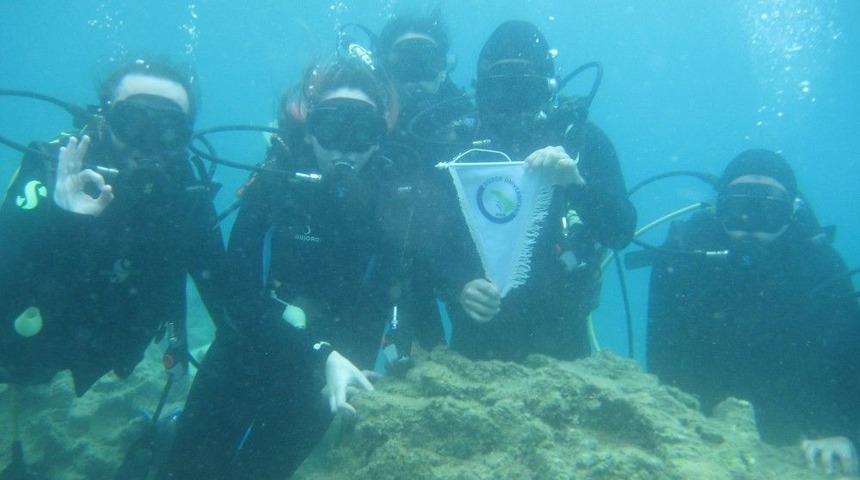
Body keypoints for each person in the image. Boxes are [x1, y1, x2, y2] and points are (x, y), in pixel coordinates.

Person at [159, 57, 410, 480]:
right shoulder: (273, 188)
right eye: (332, 128)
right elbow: (236, 298)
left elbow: (383, 302)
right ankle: (169, 433)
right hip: (243, 358)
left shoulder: (389, 208)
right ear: (309, 131)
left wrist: (354, 365)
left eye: (361, 130)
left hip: (320, 380)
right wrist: (322, 351)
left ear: (378, 139)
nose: (345, 147)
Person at [0, 58, 225, 396]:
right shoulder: (50, 169)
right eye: (132, 122)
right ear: (104, 120)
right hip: (22, 353)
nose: (147, 143)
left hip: (110, 357)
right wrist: (63, 221)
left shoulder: (187, 199)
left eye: (168, 129)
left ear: (185, 136)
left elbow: (229, 301)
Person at [647, 149, 860, 476]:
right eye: (738, 208)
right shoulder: (683, 253)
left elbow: (849, 357)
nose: (750, 224)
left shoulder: (820, 264)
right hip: (698, 415)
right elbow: (662, 353)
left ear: (791, 214)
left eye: (768, 211)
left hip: (796, 426)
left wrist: (840, 429)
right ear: (719, 208)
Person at [444, 20, 637, 361]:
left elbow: (621, 231)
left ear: (548, 88)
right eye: (501, 89)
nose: (512, 102)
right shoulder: (456, 146)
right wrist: (458, 284)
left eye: (525, 88)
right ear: (481, 90)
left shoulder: (582, 140)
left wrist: (576, 184)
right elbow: (424, 241)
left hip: (564, 340)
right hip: (474, 341)